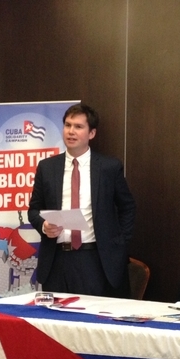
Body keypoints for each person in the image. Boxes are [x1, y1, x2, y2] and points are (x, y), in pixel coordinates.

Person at [28, 103, 136, 298]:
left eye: (78, 127)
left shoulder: (108, 167)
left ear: (91, 133)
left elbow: (127, 207)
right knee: (56, 323)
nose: (71, 131)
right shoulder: (47, 168)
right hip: (57, 259)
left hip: (95, 258)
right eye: (67, 125)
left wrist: (119, 243)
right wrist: (44, 226)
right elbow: (33, 210)